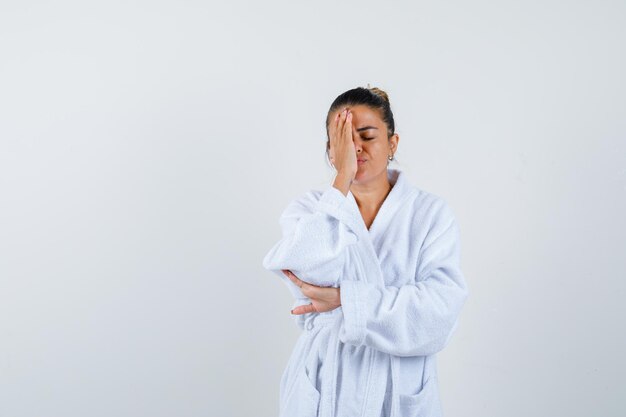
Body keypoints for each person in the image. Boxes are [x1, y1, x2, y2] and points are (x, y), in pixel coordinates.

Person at [262, 86, 469, 417]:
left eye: (367, 136)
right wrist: (342, 178)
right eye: (341, 140)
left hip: (398, 389)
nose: (354, 147)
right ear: (331, 151)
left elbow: (438, 314)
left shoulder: (430, 214)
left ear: (393, 143)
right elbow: (309, 276)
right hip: (325, 383)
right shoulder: (309, 210)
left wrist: (346, 300)